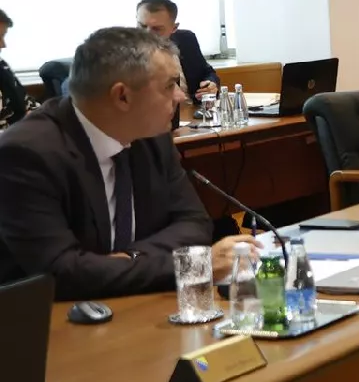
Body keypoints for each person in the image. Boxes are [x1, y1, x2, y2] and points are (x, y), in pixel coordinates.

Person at [0, 27, 247, 298]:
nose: (180, 96)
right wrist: (191, 266)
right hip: (48, 315)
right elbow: (60, 272)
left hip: (130, 301)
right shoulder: (26, 154)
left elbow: (194, 224)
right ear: (122, 96)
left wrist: (129, 259)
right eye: (169, 85)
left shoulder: (152, 135)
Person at [133, 0, 217, 97]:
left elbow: (207, 72)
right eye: (142, 26)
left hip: (193, 105)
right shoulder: (126, 51)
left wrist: (210, 84)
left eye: (157, 29)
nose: (147, 34)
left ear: (174, 28)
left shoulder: (186, 39)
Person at [0, 6, 33, 131]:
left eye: (3, 36)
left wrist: (36, 115)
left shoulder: (2, 66)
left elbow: (25, 100)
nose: (3, 45)